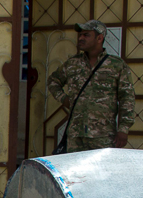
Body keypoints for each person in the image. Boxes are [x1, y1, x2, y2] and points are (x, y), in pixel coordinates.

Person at [47, 19, 136, 153]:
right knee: (75, 172)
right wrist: (64, 99)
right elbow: (53, 81)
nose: (81, 38)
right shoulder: (73, 64)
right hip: (75, 134)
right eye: (80, 35)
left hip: (103, 135)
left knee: (100, 172)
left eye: (86, 35)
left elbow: (127, 98)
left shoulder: (116, 65)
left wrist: (123, 129)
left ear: (99, 38)